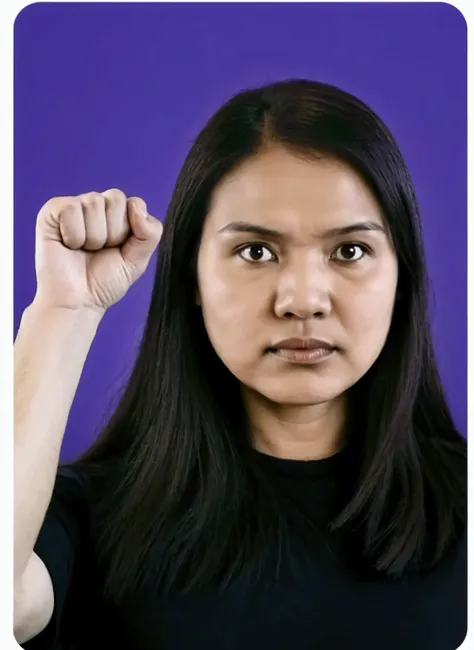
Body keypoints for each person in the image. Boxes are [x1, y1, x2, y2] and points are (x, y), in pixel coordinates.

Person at [14, 79, 467, 650]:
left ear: (402, 278)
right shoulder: (83, 515)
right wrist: (64, 310)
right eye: (256, 251)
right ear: (193, 277)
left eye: (349, 251)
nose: (303, 299)